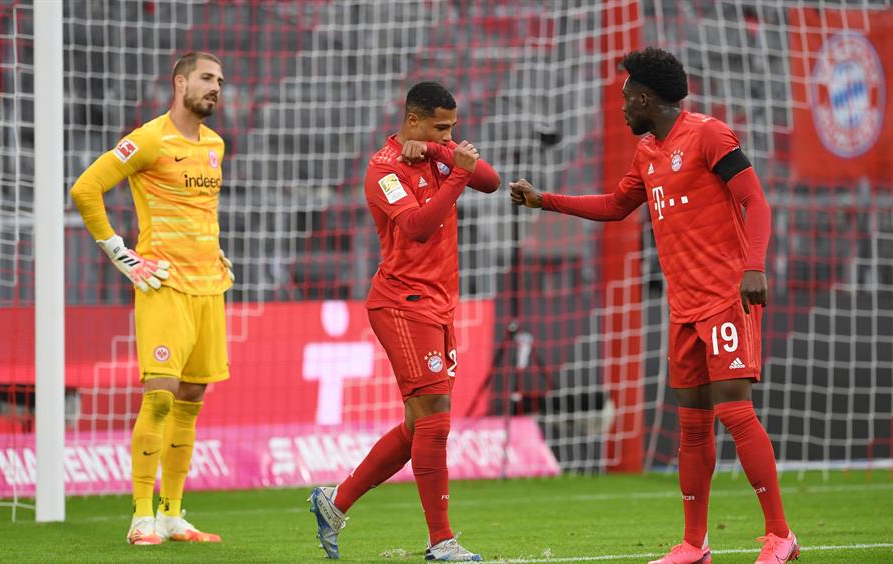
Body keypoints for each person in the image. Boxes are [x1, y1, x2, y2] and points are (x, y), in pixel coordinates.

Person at [510, 48, 798, 564]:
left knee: (735, 411)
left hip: (726, 298)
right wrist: (544, 200)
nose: (622, 107)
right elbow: (615, 206)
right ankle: (694, 544)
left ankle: (780, 535)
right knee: (692, 425)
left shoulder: (709, 135)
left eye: (626, 98)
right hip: (683, 307)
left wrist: (754, 266)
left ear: (644, 98)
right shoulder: (647, 153)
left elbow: (755, 200)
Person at [309, 81, 500, 561]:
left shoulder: (437, 154)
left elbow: (491, 180)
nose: (449, 135)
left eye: (453, 128)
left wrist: (439, 150)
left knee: (420, 425)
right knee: (435, 419)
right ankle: (442, 541)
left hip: (439, 304)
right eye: (440, 127)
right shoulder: (384, 168)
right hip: (402, 303)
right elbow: (416, 228)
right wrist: (455, 173)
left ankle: (335, 502)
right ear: (412, 119)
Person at [70, 51, 233, 546]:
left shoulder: (215, 145)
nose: (216, 87)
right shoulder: (148, 139)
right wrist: (121, 255)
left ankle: (172, 515)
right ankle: (142, 516)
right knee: (160, 395)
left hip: (209, 287)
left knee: (192, 399)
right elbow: (86, 189)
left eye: (220, 80)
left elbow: (200, 211)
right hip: (162, 286)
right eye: (206, 78)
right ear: (180, 83)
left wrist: (214, 250)